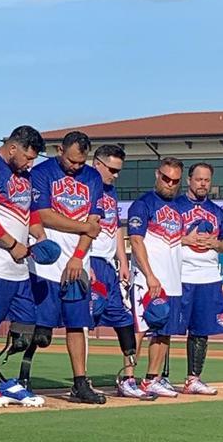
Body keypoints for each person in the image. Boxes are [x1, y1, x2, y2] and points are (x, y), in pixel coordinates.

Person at [27, 131, 106, 404]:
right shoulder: (41, 172)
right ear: (60, 149)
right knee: (38, 329)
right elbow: (43, 215)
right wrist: (83, 226)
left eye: (80, 163)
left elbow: (94, 223)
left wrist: (78, 256)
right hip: (46, 263)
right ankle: (23, 379)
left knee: (77, 324)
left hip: (76, 263)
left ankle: (80, 383)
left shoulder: (93, 177)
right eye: (72, 161)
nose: (75, 167)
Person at [0, 126, 47, 408]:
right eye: (28, 157)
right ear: (13, 147)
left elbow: (32, 212)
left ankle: (6, 378)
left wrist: (40, 235)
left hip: (22, 265)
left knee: (26, 326)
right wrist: (10, 243)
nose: (30, 164)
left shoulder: (25, 176)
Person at [89, 145, 155, 400]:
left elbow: (116, 227)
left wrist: (123, 262)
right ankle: (80, 380)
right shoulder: (85, 185)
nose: (116, 175)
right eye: (113, 170)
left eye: (119, 171)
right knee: (82, 323)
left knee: (125, 320)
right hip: (89, 261)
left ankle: (127, 379)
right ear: (98, 164)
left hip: (108, 265)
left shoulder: (112, 192)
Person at [128, 157, 186, 398]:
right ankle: (127, 377)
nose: (170, 184)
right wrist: (150, 275)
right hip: (148, 278)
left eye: (175, 180)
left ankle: (151, 379)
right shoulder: (142, 204)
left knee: (164, 330)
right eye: (166, 178)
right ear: (157, 175)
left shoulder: (179, 208)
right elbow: (136, 240)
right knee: (139, 329)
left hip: (172, 279)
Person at [175, 162, 223, 395]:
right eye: (199, 179)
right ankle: (158, 376)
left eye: (207, 180)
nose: (203, 184)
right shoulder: (175, 206)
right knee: (165, 327)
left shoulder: (217, 211)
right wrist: (184, 239)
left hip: (208, 276)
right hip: (179, 274)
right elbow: (160, 236)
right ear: (189, 180)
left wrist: (216, 244)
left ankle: (193, 379)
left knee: (201, 331)